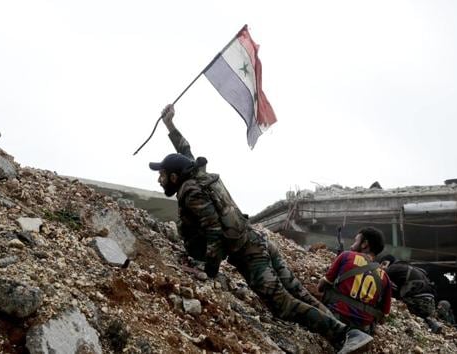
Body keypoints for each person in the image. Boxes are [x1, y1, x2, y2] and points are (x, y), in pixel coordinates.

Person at [149, 104, 372, 353]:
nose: (159, 179)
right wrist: (170, 126)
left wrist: (208, 271)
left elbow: (213, 232)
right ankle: (352, 334)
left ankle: (345, 335)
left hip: (250, 254)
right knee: (299, 292)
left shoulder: (189, 191)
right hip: (259, 239)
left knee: (283, 304)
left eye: (163, 174)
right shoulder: (198, 175)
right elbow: (185, 151)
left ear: (175, 177)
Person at [317, 227, 392, 335]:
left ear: (364, 244)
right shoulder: (385, 277)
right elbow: (383, 317)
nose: (352, 245)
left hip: (335, 318)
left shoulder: (346, 256)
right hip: (362, 330)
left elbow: (321, 286)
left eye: (356, 241)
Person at [378, 255, 442, 334]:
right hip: (431, 305)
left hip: (418, 302)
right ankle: (428, 320)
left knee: (386, 286)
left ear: (390, 262)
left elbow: (378, 281)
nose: (382, 267)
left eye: (384, 264)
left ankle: (426, 319)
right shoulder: (408, 267)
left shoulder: (393, 268)